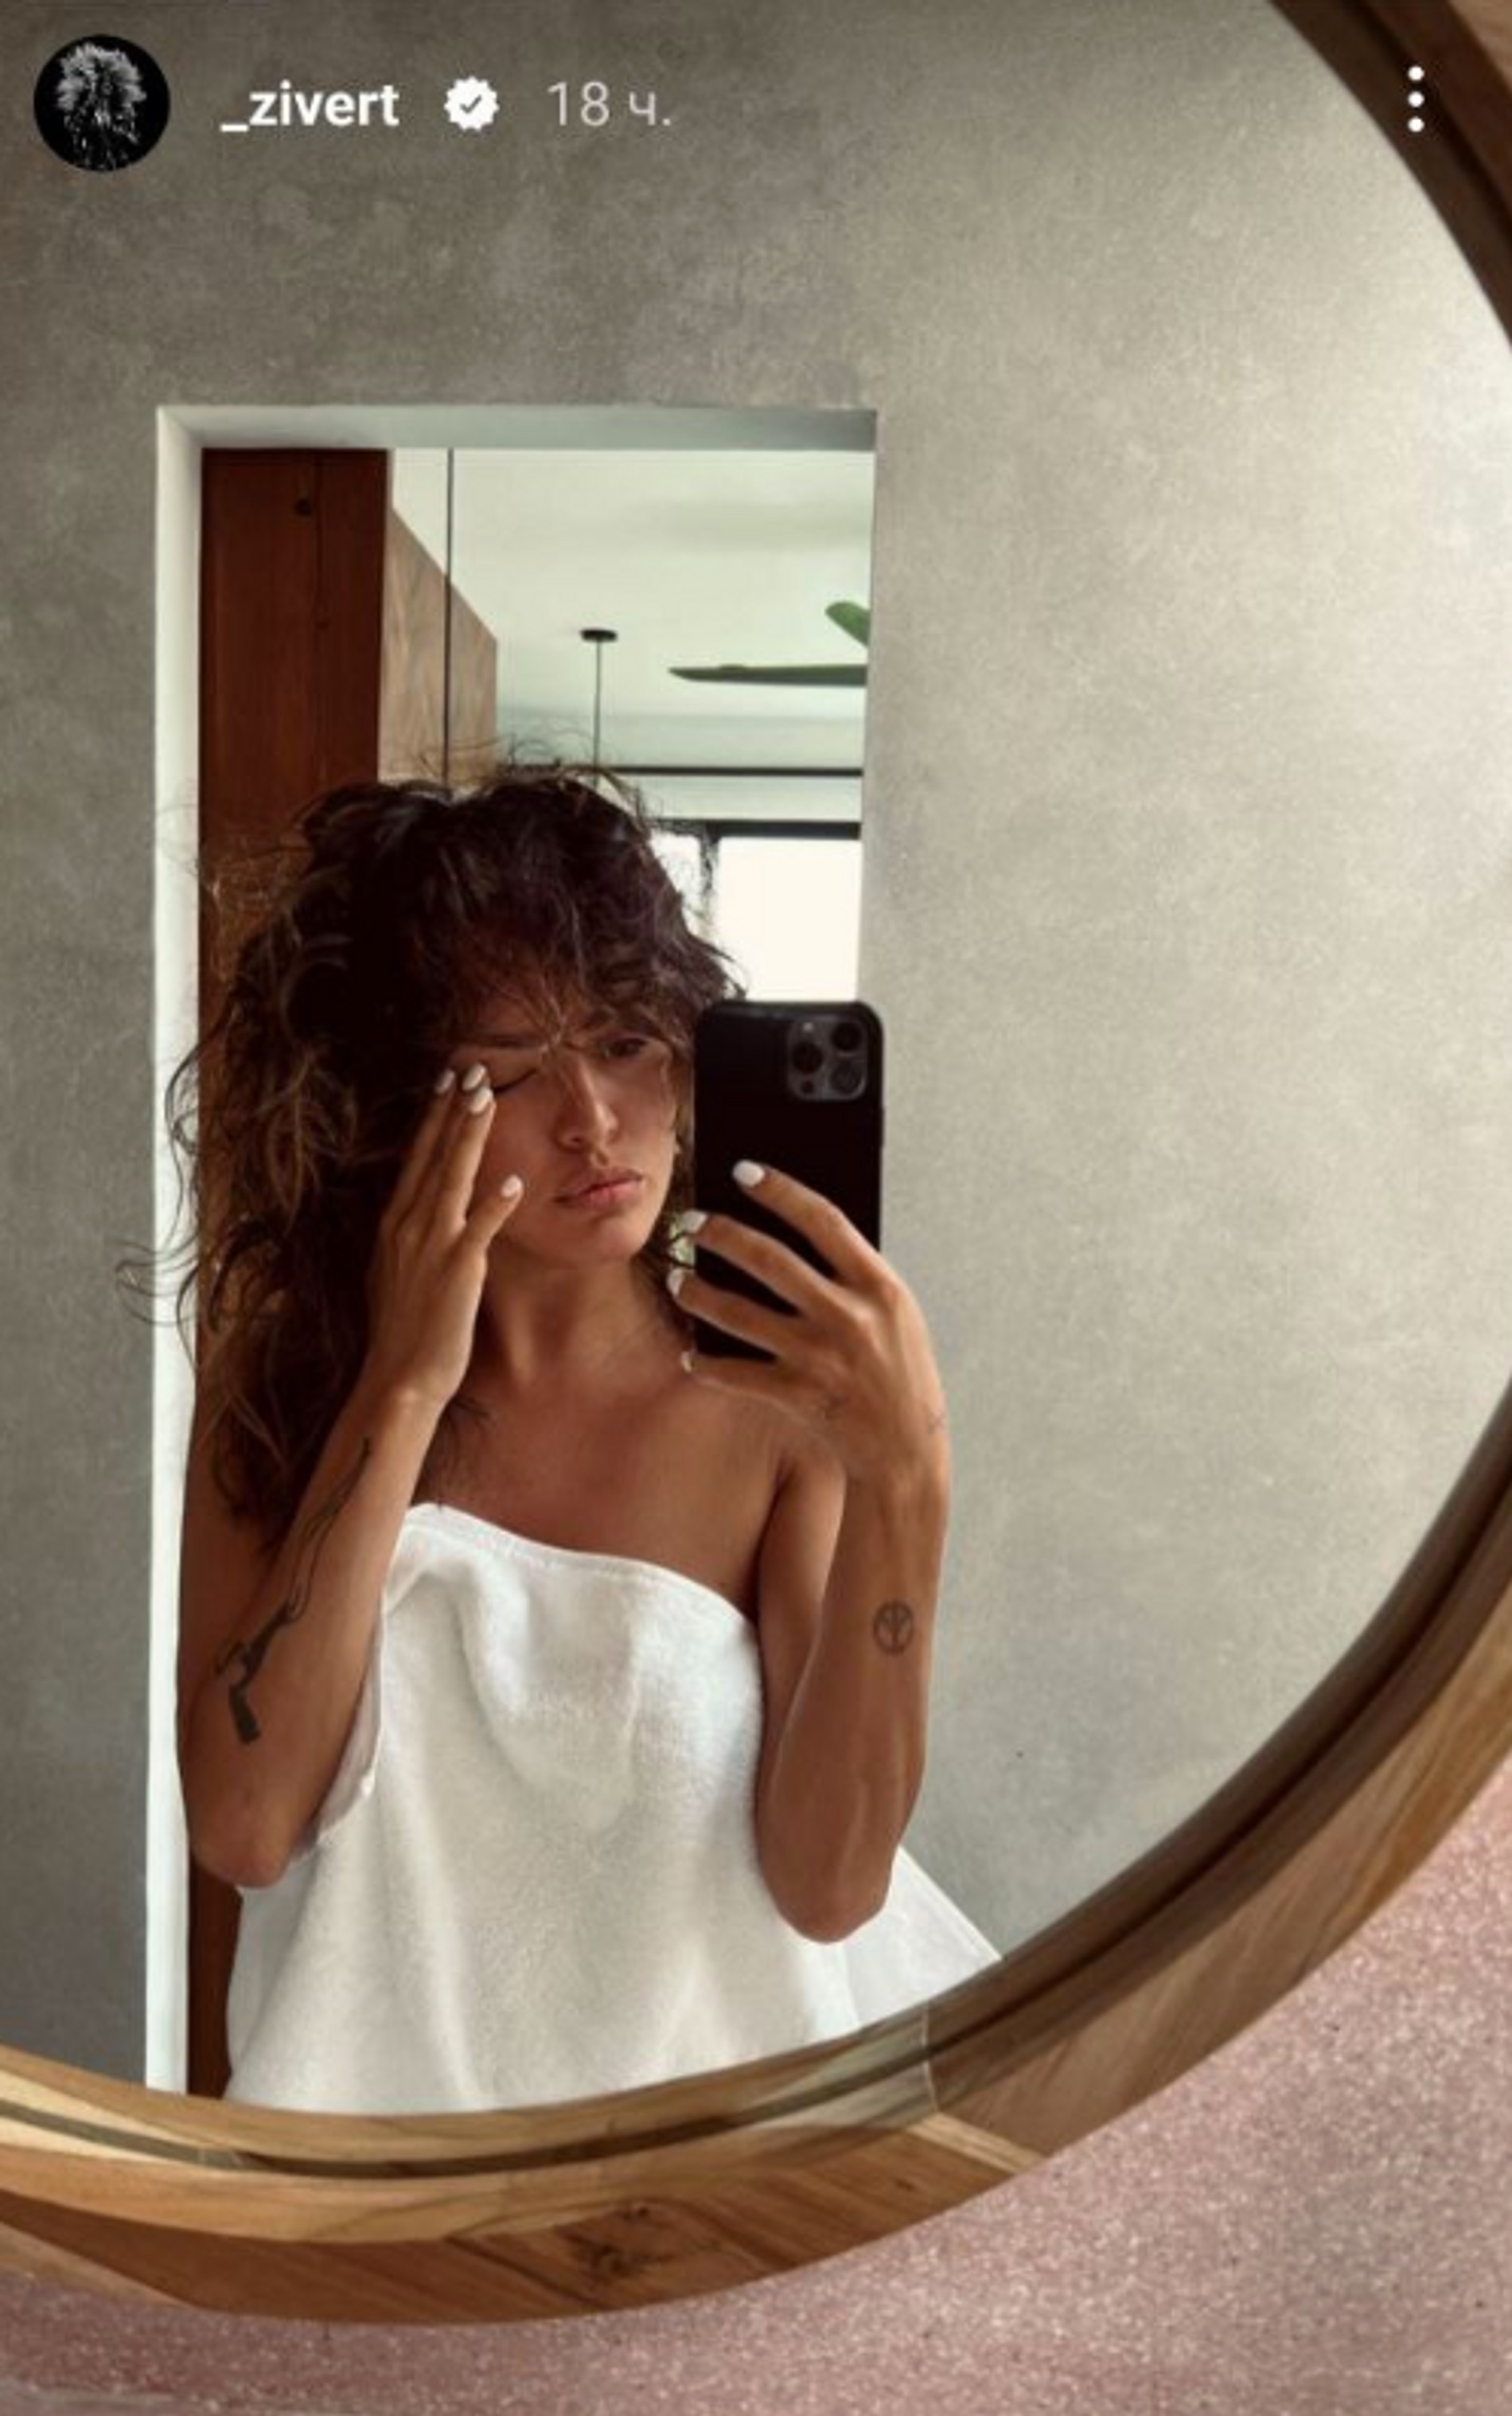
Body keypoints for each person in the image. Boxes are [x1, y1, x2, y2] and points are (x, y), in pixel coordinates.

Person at [171, 765, 997, 2115]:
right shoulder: (288, 1387)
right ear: (399, 1108)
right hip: (360, 2187)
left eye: (622, 1042)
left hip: (703, 2176)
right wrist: (402, 1389)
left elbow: (832, 1888)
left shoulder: (774, 1413)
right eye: (511, 1070)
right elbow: (245, 1827)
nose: (595, 1122)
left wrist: (909, 1475)